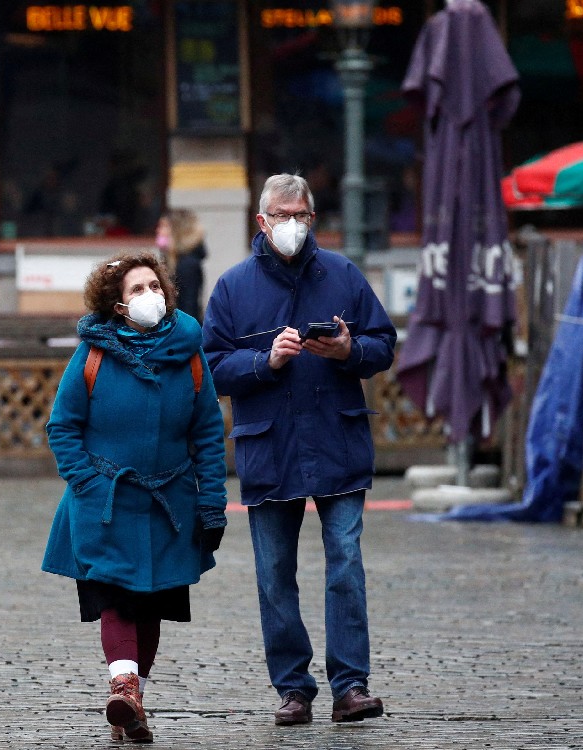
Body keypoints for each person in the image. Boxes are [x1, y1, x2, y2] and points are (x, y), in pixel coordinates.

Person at [202, 173, 396, 726]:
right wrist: (268, 361)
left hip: (337, 440)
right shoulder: (233, 287)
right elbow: (212, 368)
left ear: (313, 219)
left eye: (300, 215)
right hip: (270, 450)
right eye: (280, 215)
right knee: (274, 575)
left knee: (345, 565)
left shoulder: (342, 273)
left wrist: (347, 349)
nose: (291, 224)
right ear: (260, 222)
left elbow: (383, 343)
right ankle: (294, 689)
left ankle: (350, 687)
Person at [42, 252, 228, 743]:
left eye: (155, 286)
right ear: (119, 306)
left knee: (151, 606)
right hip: (107, 501)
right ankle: (122, 686)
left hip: (170, 503)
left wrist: (211, 503)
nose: (151, 296)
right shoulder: (93, 354)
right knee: (118, 599)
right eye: (137, 290)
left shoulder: (190, 353)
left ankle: (132, 703)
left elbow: (208, 434)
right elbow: (62, 427)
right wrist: (88, 482)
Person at [156, 208, 208, 322]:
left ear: (178, 230)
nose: (159, 231)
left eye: (164, 226)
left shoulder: (187, 265)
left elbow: (189, 304)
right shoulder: (170, 259)